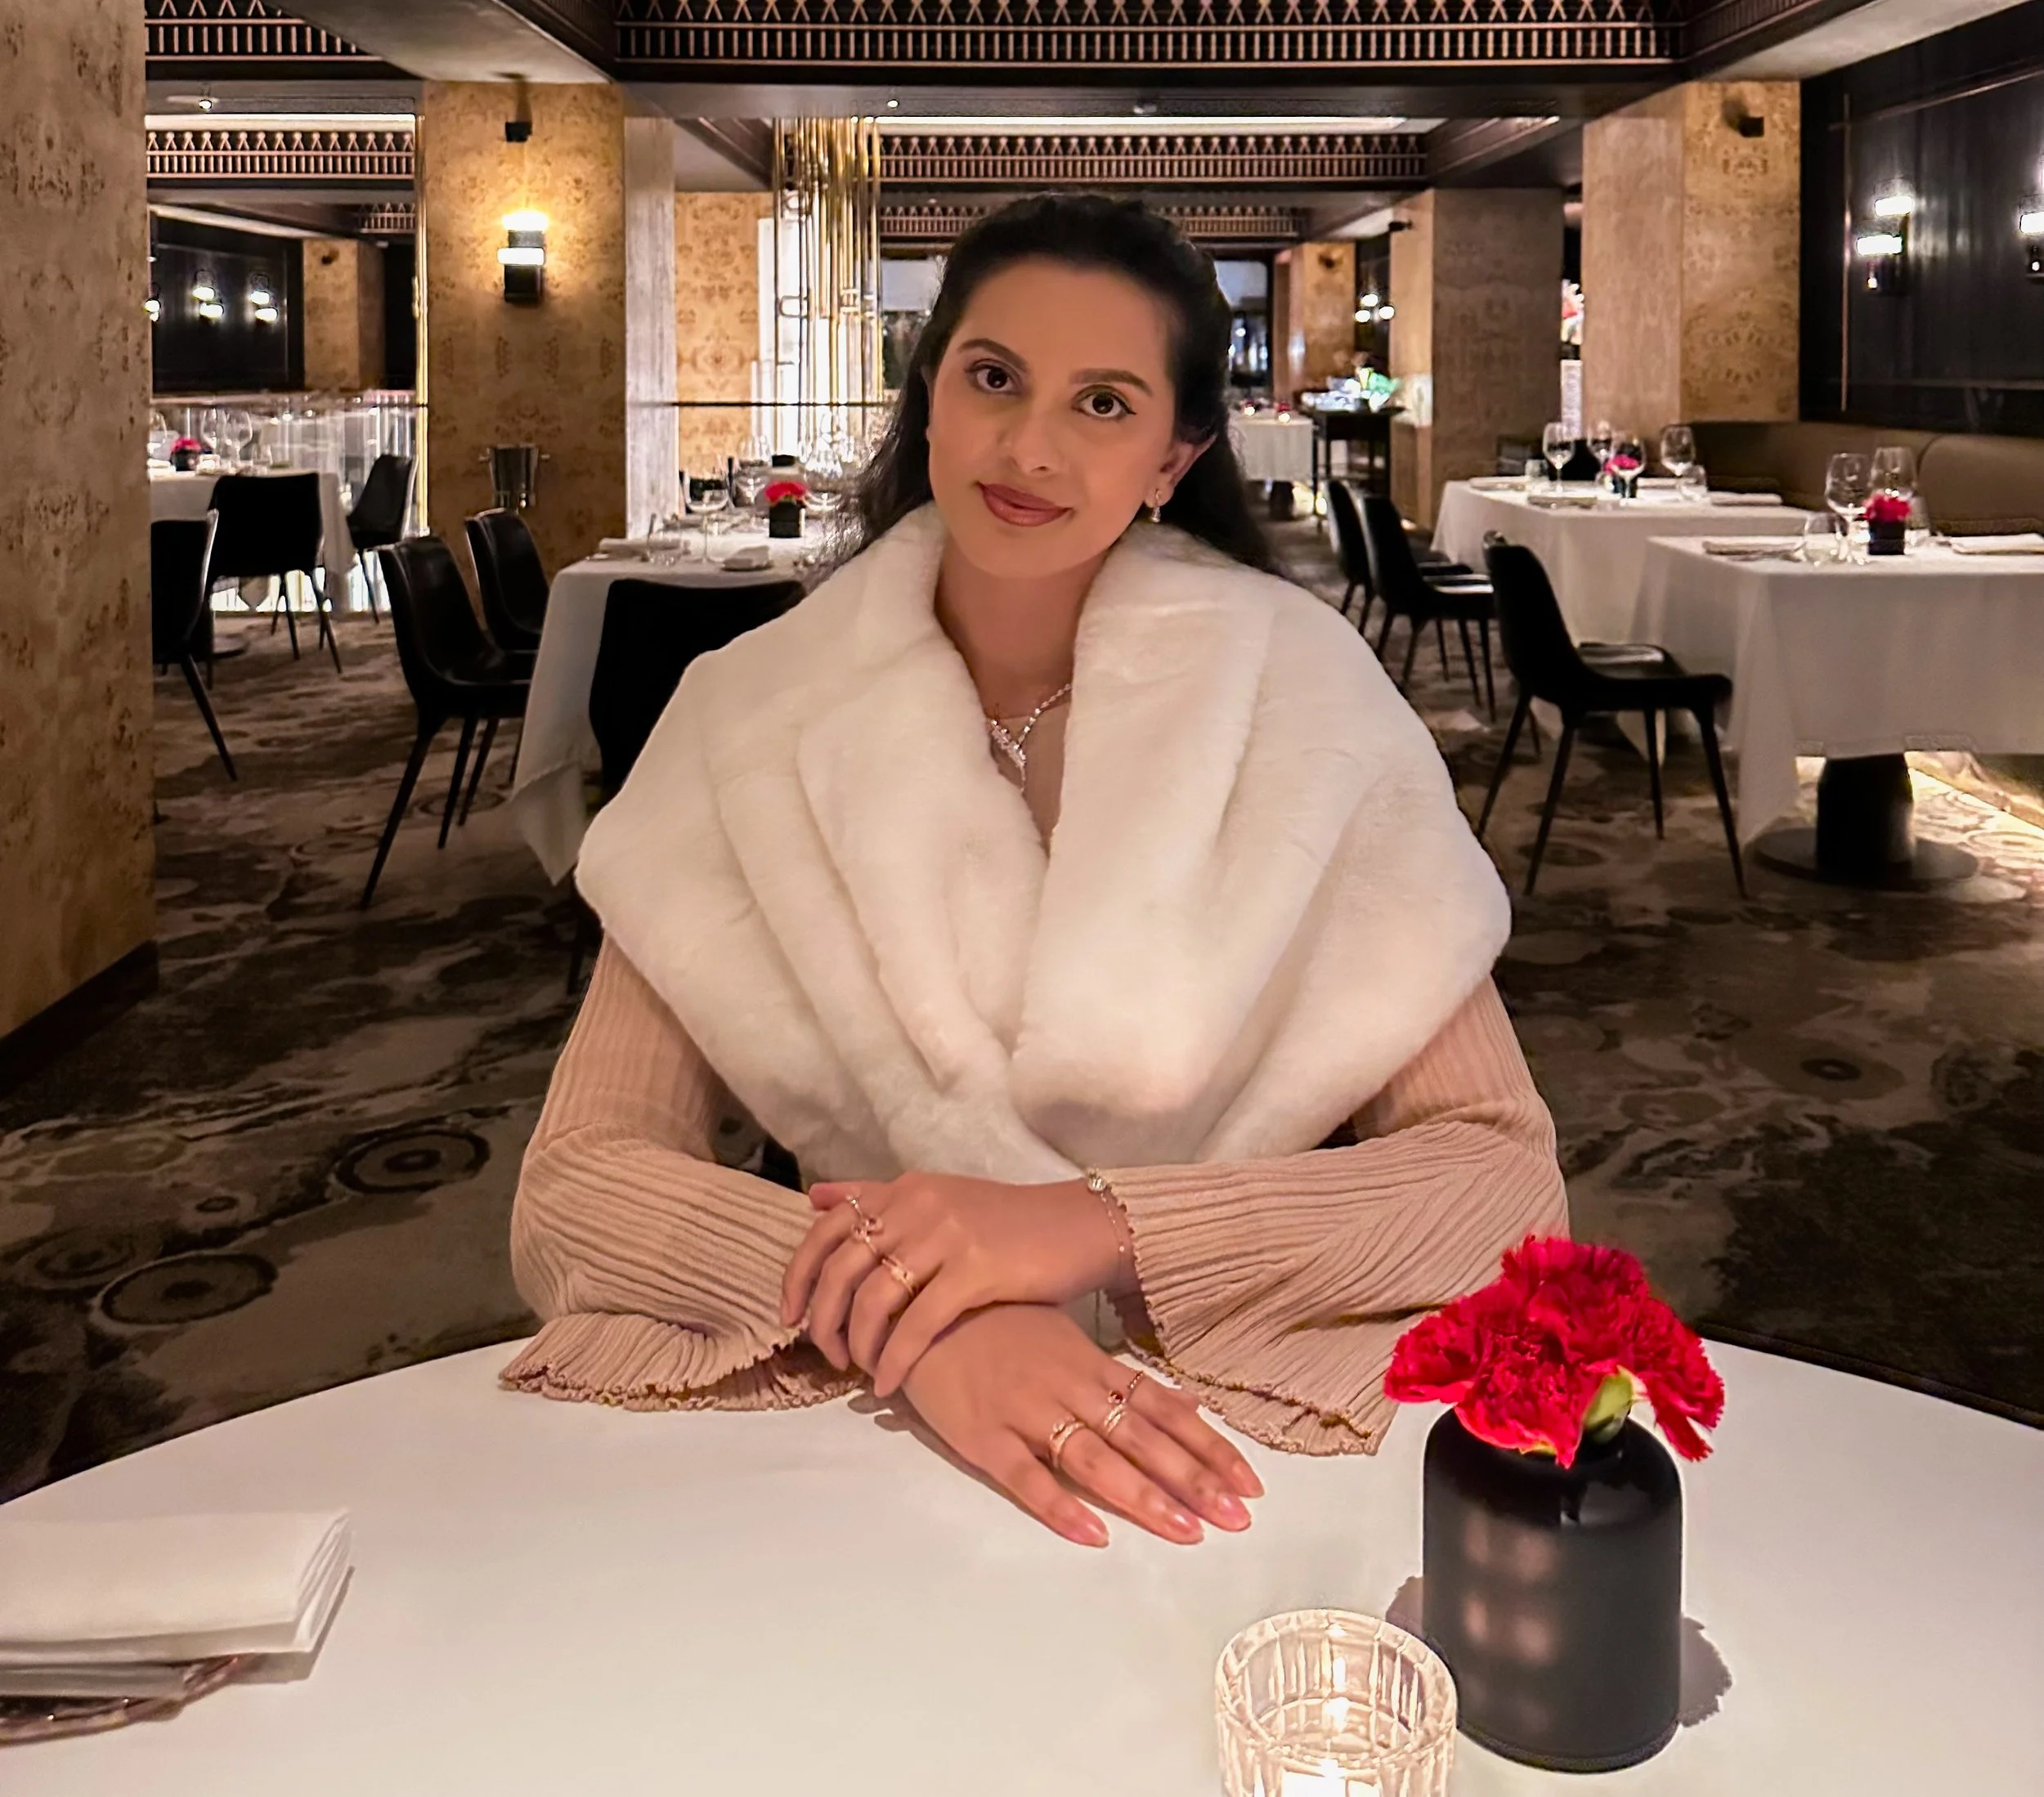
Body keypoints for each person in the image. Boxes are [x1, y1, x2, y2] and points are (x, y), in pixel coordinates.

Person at [506, 195, 1563, 1548]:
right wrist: (922, 1319)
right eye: (994, 377)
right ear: (930, 393)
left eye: (1104, 405)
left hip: (1233, 1430)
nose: (1029, 445)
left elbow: (1501, 1185)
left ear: (1174, 459)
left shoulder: (1304, 700)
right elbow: (576, 1184)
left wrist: (1098, 1227)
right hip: (873, 1435)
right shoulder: (750, 715)